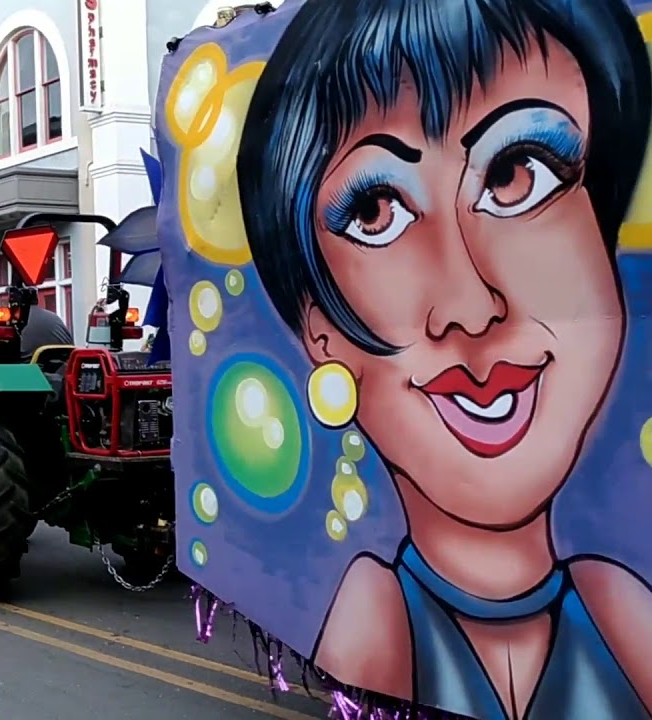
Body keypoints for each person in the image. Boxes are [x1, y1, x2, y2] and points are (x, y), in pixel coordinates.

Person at [233, 1, 652, 715]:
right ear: (319, 331)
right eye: (376, 213)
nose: (470, 302)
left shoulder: (620, 604)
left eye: (520, 173)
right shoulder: (375, 616)